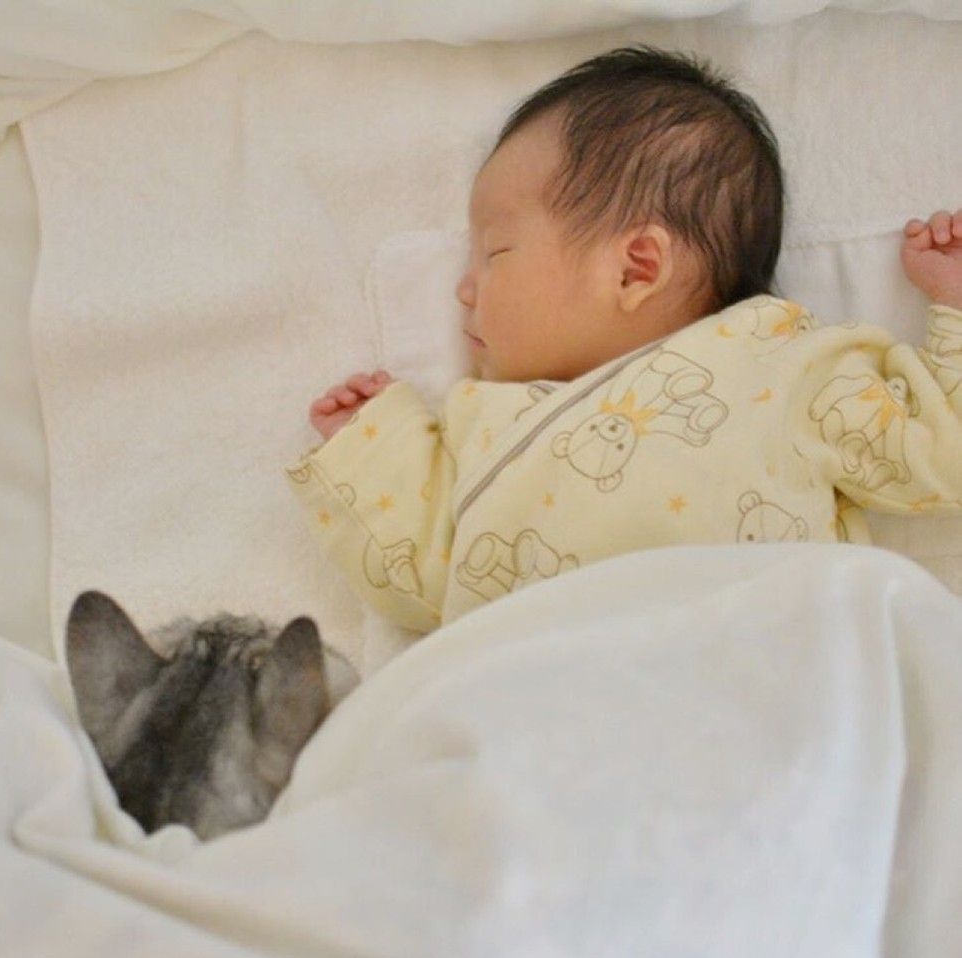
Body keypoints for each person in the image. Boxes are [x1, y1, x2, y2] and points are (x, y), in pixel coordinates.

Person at [285, 45, 962, 634]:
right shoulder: (487, 426)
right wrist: (375, 450)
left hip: (769, 678)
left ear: (636, 268)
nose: (464, 289)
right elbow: (426, 583)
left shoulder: (782, 368)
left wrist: (954, 306)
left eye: (494, 253)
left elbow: (942, 451)